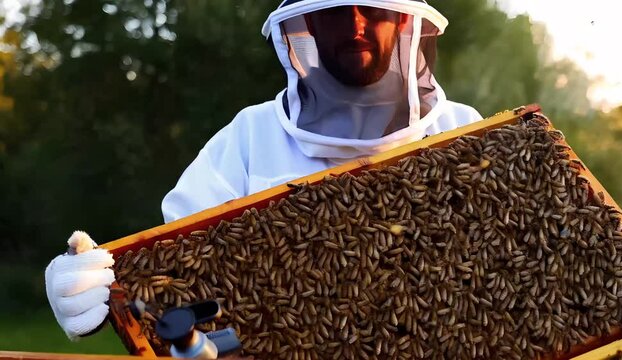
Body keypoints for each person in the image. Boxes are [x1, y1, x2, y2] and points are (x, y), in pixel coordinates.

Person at [45, 0, 483, 341]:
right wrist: (95, 287)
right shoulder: (248, 139)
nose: (355, 24)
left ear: (404, 21)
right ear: (306, 25)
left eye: (373, 8)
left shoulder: (465, 132)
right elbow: (176, 278)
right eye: (333, 11)